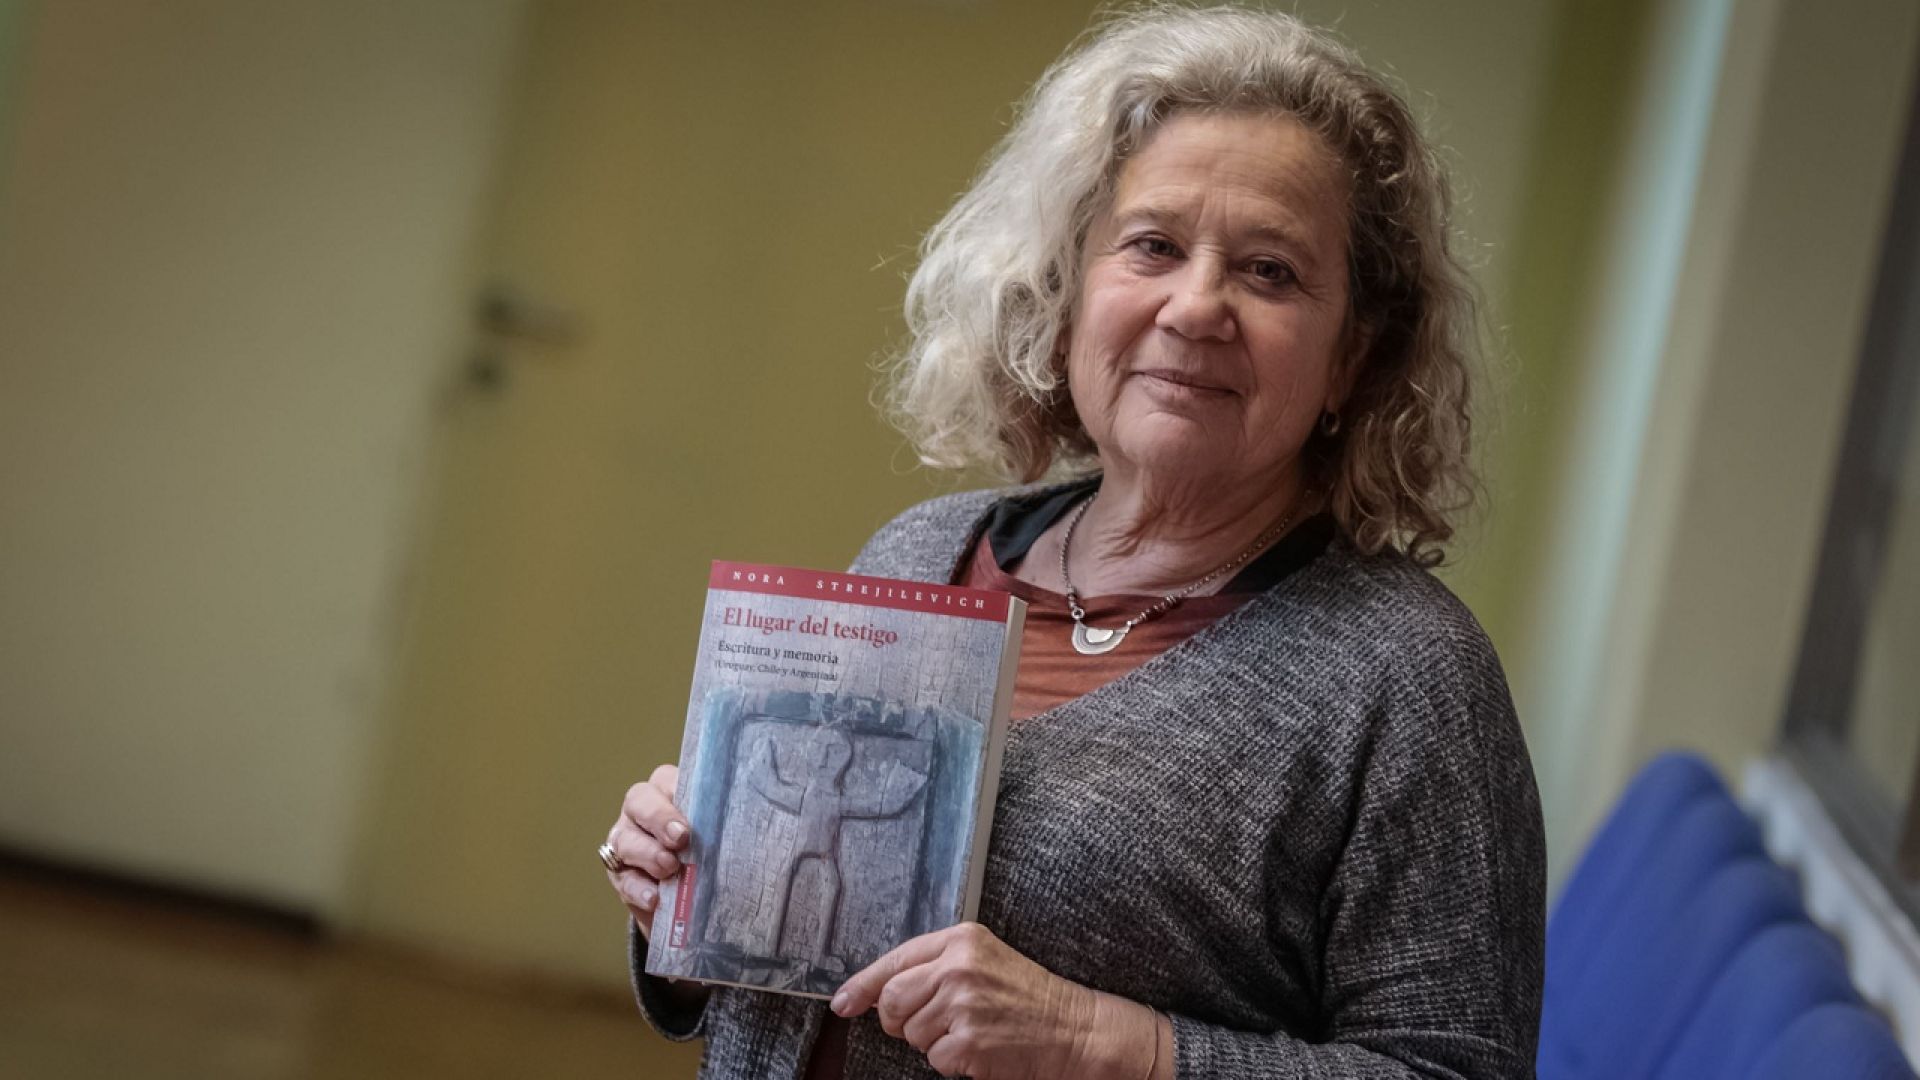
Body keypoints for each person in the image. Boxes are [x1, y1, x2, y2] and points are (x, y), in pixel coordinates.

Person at [600, 6, 1545, 1078]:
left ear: (1352, 359)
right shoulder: (921, 550)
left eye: (1270, 271)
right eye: (1153, 246)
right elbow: (794, 976)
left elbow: (1453, 1069)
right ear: (1064, 291)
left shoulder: (1410, 678)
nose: (1196, 307)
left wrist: (1109, 1044)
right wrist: (686, 902)